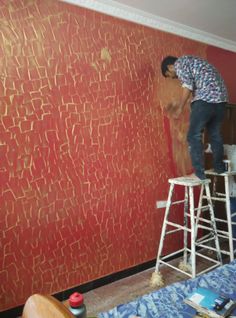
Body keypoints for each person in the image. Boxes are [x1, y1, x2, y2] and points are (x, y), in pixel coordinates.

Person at [161, 55, 228, 180]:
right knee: (215, 134)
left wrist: (180, 108)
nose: (174, 78)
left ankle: (199, 173)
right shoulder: (194, 62)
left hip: (205, 100)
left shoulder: (180, 63)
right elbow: (196, 85)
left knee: (193, 135)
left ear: (170, 66)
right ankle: (219, 167)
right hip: (221, 102)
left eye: (171, 75)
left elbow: (187, 86)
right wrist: (178, 103)